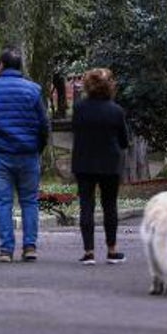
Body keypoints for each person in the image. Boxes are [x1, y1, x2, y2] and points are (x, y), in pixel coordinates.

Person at [0, 46, 50, 262]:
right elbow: (43, 124)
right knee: (29, 201)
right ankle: (30, 247)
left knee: (3, 202)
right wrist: (39, 147)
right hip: (28, 153)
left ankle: (6, 249)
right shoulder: (34, 90)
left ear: (2, 65)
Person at [71, 67, 130, 265]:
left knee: (86, 205)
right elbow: (124, 141)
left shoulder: (79, 108)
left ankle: (88, 252)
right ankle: (112, 250)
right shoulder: (116, 111)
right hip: (109, 164)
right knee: (109, 206)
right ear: (109, 86)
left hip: (84, 161)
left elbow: (75, 131)